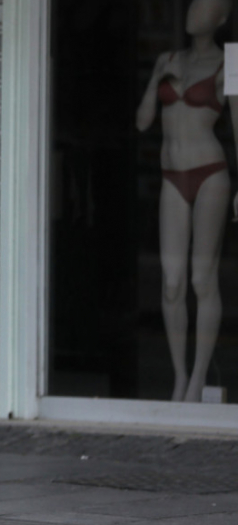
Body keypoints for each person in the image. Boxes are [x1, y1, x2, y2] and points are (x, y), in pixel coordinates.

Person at [135, 0, 238, 402]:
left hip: (210, 172)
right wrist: (156, 78)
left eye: (208, 5)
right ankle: (179, 377)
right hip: (171, 177)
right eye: (195, 3)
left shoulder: (233, 61)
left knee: (201, 278)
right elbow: (142, 122)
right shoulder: (168, 59)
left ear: (222, 18)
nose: (197, 10)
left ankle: (197, 379)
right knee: (172, 281)